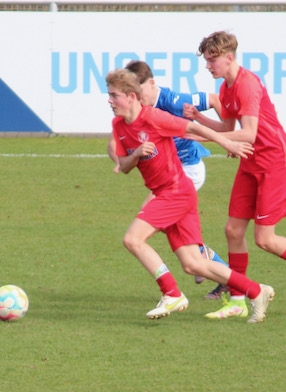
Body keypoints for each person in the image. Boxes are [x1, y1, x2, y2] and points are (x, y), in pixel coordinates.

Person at [106, 68, 274, 324]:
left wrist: (227, 143)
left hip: (174, 192)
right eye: (109, 95)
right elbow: (125, 165)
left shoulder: (154, 117)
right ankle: (256, 290)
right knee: (193, 264)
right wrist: (137, 153)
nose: (109, 101)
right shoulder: (118, 125)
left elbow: (193, 128)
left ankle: (171, 293)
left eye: (114, 96)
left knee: (133, 239)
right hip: (171, 193)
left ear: (130, 96)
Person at [184, 31, 286, 320]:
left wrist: (203, 136)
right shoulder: (226, 88)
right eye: (206, 61)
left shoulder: (248, 85)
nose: (208, 66)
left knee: (265, 239)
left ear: (229, 58)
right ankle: (237, 298)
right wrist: (199, 119)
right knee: (233, 231)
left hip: (274, 162)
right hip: (250, 162)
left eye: (212, 60)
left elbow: (248, 132)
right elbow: (227, 128)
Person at [110, 60, 230, 299]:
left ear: (151, 84)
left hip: (188, 169)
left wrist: (226, 134)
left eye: (139, 89)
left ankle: (207, 261)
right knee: (158, 220)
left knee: (148, 217)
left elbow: (214, 101)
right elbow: (113, 142)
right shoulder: (134, 116)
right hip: (174, 170)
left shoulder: (172, 101)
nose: (136, 95)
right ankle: (206, 262)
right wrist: (120, 158)